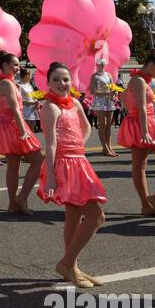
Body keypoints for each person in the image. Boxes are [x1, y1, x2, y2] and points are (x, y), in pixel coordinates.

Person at [38, 62, 107, 287]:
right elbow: (50, 144)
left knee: (74, 216)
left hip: (78, 161)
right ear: (47, 83)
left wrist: (78, 147)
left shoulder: (74, 103)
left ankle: (72, 266)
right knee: (96, 216)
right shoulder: (50, 107)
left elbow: (86, 127)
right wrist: (50, 175)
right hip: (63, 165)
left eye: (65, 79)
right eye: (56, 80)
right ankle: (67, 263)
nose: (61, 84)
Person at [117, 51, 155, 217]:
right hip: (143, 125)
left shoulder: (139, 80)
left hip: (141, 123)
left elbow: (123, 97)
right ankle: (153, 201)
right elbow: (142, 107)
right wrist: (144, 131)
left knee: (140, 165)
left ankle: (149, 205)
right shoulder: (139, 80)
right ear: (151, 65)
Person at [0, 52, 43, 214]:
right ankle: (21, 198)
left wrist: (0, 113)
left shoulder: (5, 83)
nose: (17, 67)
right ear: (5, 66)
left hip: (7, 125)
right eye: (14, 64)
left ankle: (13, 204)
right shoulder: (6, 84)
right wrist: (22, 131)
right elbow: (15, 109)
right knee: (38, 160)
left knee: (13, 165)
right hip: (14, 125)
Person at [89, 58, 118, 156]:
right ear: (97, 65)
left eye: (103, 64)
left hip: (109, 100)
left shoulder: (109, 75)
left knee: (109, 125)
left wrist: (115, 93)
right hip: (100, 101)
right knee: (102, 124)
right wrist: (106, 93)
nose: (102, 65)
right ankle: (105, 147)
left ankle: (109, 147)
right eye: (100, 64)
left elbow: (112, 86)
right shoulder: (94, 76)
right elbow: (92, 91)